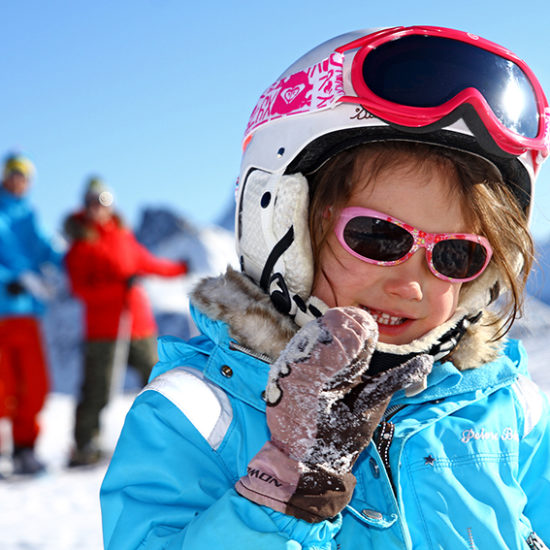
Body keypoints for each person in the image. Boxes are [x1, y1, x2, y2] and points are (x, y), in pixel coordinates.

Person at [100, 26, 550, 549]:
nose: (411, 284)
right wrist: (292, 483)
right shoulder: (197, 413)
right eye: (380, 237)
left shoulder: (508, 407)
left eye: (455, 255)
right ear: (282, 229)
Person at [64, 177, 189, 466]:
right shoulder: (81, 245)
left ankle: (168, 437)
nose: (98, 207)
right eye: (93, 202)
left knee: (159, 378)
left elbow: (148, 263)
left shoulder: (122, 236)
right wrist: (118, 287)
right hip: (103, 329)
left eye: (104, 201)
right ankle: (85, 443)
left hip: (138, 325)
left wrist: (179, 269)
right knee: (99, 387)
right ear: (85, 205)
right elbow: (81, 289)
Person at [0, 153, 63, 475]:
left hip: (27, 315)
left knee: (33, 385)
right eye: (12, 173)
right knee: (3, 386)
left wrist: (66, 252)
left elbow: (45, 249)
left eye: (23, 174)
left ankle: (25, 450)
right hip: (2, 313)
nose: (17, 179)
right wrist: (9, 279)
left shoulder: (28, 215)